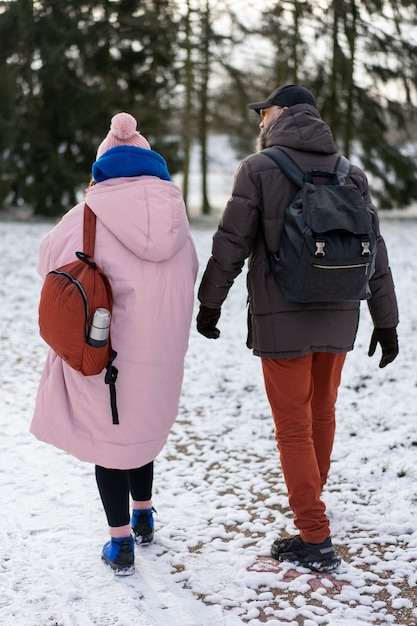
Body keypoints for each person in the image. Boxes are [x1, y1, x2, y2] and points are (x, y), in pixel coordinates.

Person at [196, 84, 399, 573]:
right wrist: (385, 321)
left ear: (283, 113)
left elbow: (231, 241)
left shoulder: (258, 170)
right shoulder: (351, 172)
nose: (260, 120)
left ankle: (314, 537)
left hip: (282, 313)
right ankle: (314, 513)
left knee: (292, 427)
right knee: (321, 414)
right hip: (339, 310)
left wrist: (209, 303)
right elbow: (377, 249)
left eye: (264, 111)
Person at [31, 112, 198, 575]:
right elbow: (189, 273)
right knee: (140, 434)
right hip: (162, 352)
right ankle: (143, 514)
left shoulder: (84, 215)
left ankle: (120, 542)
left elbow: (50, 266)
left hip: (103, 351)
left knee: (111, 442)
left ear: (102, 168)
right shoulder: (177, 218)